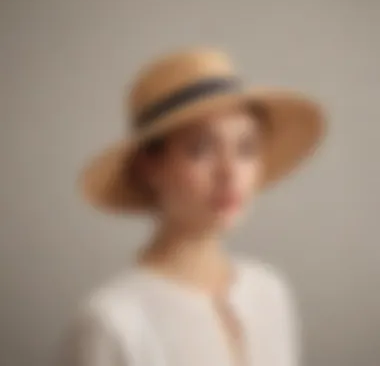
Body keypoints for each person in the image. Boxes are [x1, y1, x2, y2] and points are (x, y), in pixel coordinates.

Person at [57, 48, 326, 366]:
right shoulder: (112, 322)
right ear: (150, 167)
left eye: (246, 148)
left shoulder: (270, 292)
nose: (229, 173)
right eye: (201, 149)